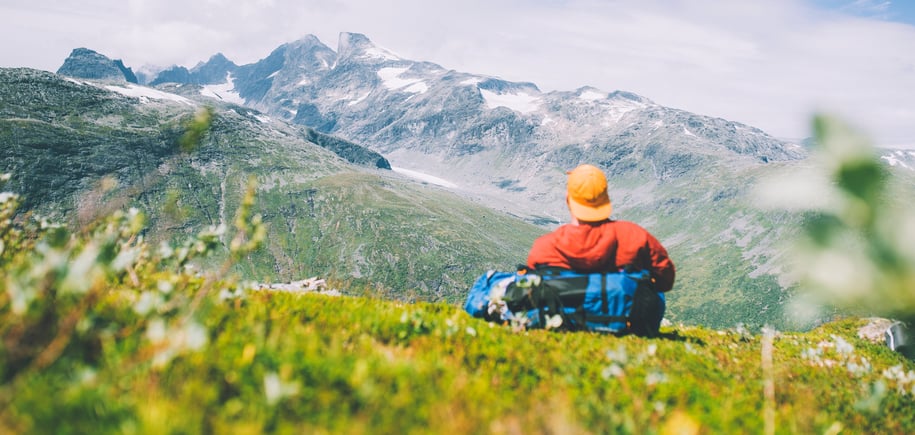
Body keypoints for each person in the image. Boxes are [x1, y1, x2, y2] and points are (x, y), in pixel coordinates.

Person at [526, 164, 675, 335]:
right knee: (652, 288)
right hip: (629, 324)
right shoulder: (635, 235)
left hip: (562, 321)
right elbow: (666, 281)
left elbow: (533, 287)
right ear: (606, 198)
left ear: (568, 199)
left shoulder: (544, 246)